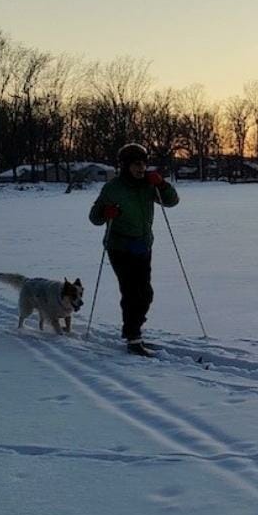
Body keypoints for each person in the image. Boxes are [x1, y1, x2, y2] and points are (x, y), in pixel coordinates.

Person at [89, 143, 179, 356]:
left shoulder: (149, 184)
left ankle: (133, 328)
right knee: (131, 292)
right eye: (136, 164)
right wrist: (106, 212)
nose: (141, 168)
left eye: (143, 163)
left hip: (143, 244)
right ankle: (133, 336)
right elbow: (94, 218)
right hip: (119, 246)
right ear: (125, 166)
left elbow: (172, 202)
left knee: (145, 293)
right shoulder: (113, 188)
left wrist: (163, 185)